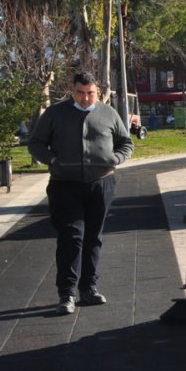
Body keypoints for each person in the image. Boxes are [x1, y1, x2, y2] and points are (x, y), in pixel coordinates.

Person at [28, 72, 134, 314]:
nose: (86, 98)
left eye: (91, 93)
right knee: (71, 237)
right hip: (65, 184)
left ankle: (89, 288)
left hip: (101, 183)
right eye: (80, 93)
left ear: (97, 91)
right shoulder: (55, 113)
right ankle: (66, 293)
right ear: (71, 90)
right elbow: (35, 143)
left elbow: (126, 142)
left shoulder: (108, 113)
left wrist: (115, 158)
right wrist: (52, 159)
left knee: (93, 237)